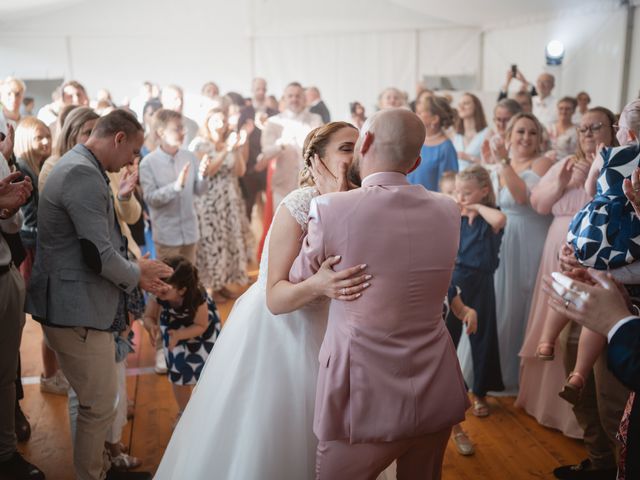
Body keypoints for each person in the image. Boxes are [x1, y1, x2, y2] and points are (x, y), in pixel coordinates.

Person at [154, 122, 370, 480]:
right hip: (287, 334)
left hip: (340, 335)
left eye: (360, 147)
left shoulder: (362, 200)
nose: (357, 154)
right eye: (346, 148)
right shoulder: (299, 205)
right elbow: (275, 298)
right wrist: (319, 284)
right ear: (317, 160)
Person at [289, 108, 469, 479]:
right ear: (416, 161)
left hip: (362, 391)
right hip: (435, 380)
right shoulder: (449, 209)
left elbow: (298, 278)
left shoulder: (330, 206)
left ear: (365, 143)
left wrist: (330, 205)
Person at [25, 109, 173, 480]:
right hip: (75, 308)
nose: (133, 161)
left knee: (96, 403)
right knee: (96, 406)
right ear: (118, 138)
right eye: (134, 151)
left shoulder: (84, 166)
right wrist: (139, 275)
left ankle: (102, 468)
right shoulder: (80, 172)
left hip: (79, 304)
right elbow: (98, 254)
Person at [517, 106, 618, 438]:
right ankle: (552, 408)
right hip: (558, 251)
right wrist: (561, 180)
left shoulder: (618, 165)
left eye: (595, 127)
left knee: (584, 332)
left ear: (614, 129)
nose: (587, 134)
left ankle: (588, 424)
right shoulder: (565, 164)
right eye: (583, 129)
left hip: (598, 258)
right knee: (556, 324)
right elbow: (539, 204)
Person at [543, 268, 640, 480]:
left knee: (613, 405)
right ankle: (600, 462)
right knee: (580, 394)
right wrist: (569, 254)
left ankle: (621, 469)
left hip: (625, 301)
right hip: (587, 290)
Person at [488, 112, 553, 392]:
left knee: (525, 302)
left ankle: (522, 379)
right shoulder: (499, 165)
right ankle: (495, 374)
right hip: (504, 237)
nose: (526, 137)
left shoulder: (544, 162)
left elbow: (520, 196)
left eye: (532, 132)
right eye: (521, 132)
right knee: (503, 304)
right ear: (509, 136)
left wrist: (503, 161)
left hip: (532, 237)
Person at [0, 128, 45, 480]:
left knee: (5, 374)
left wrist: (7, 206)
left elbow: (12, 222)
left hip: (4, 269)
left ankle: (5, 452)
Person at [448, 165, 505, 418]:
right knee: (448, 337)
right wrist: (460, 205)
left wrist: (476, 207)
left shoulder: (491, 215)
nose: (461, 197)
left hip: (482, 281)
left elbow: (500, 221)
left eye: (467, 193)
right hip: (456, 279)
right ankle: (451, 391)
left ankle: (480, 392)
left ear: (484, 191)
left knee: (482, 336)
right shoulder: (455, 215)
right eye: (458, 192)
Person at [143, 256, 221, 417]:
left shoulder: (198, 296)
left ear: (182, 290)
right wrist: (151, 326)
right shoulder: (158, 292)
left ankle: (210, 410)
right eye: (157, 286)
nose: (158, 291)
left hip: (202, 331)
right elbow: (148, 316)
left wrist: (180, 335)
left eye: (164, 289)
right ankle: (184, 413)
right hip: (173, 330)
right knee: (178, 373)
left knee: (207, 370)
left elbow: (201, 325)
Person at [188, 107, 250, 299]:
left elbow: (240, 171)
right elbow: (207, 172)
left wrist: (237, 150)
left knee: (227, 242)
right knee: (211, 243)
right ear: (207, 122)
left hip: (229, 200)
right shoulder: (200, 144)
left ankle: (222, 283)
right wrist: (226, 151)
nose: (221, 124)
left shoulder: (228, 143)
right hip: (208, 200)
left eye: (223, 120)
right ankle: (210, 287)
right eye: (216, 120)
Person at [139, 109, 212, 264]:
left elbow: (200, 191)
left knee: (189, 282)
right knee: (169, 283)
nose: (183, 132)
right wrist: (176, 187)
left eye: (182, 127)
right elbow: (151, 199)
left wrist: (203, 176)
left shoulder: (190, 157)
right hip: (167, 236)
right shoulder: (148, 163)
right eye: (177, 128)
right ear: (161, 132)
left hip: (190, 232)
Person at [260, 82, 322, 208]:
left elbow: (323, 147)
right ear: (285, 99)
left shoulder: (316, 119)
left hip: (310, 185)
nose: (294, 99)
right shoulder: (274, 122)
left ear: (304, 98)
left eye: (298, 96)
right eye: (290, 96)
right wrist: (281, 143)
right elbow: (266, 152)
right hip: (283, 187)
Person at [237, 77, 278, 219]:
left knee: (272, 207)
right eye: (257, 89)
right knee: (249, 206)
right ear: (252, 90)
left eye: (263, 89)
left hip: (269, 166)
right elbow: (239, 138)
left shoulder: (274, 113)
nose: (260, 92)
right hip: (250, 167)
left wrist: (266, 160)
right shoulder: (244, 112)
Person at [407, 95, 458, 191]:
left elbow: (448, 186)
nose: (415, 116)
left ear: (434, 119)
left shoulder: (446, 148)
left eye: (420, 113)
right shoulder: (414, 141)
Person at [452, 93, 489, 169]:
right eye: (459, 105)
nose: (461, 107)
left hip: (478, 178)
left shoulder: (487, 133)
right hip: (457, 179)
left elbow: (491, 165)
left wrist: (468, 157)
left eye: (466, 103)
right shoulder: (455, 135)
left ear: (476, 107)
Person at [481, 98, 522, 164]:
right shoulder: (492, 140)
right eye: (498, 119)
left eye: (506, 120)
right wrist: (487, 161)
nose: (501, 124)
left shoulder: (523, 142)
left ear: (518, 120)